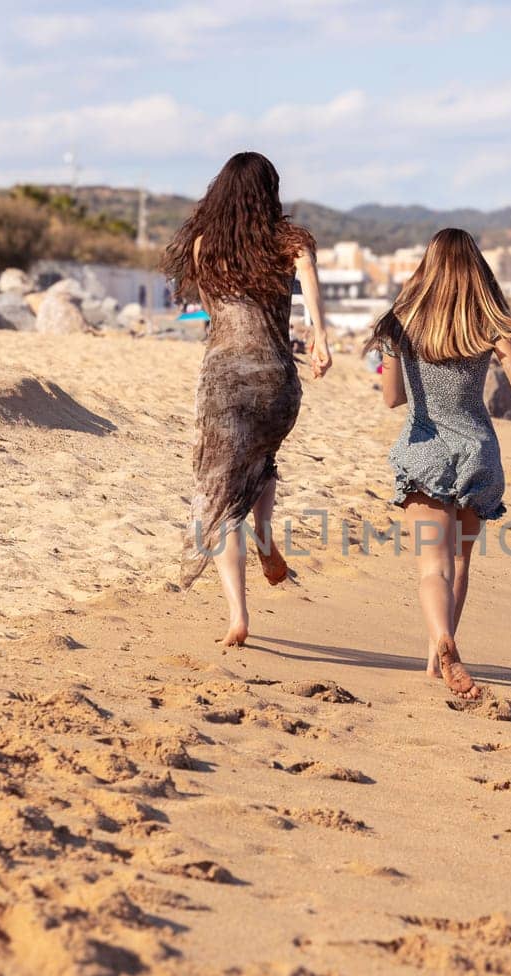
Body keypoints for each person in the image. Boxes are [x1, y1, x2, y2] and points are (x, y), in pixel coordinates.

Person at [367, 228, 511, 699]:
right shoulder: (490, 323)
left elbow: (391, 399)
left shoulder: (399, 322)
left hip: (424, 452)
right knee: (461, 564)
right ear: (478, 269)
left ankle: (441, 642)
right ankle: (437, 657)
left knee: (432, 569)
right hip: (477, 453)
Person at [166, 151, 332, 647]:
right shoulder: (291, 242)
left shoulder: (201, 247)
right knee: (262, 457)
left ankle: (238, 615)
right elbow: (310, 289)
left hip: (223, 382)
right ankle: (265, 536)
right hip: (277, 381)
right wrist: (321, 338)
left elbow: (216, 313)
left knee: (221, 495)